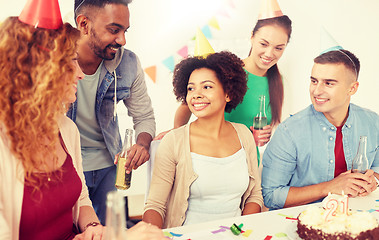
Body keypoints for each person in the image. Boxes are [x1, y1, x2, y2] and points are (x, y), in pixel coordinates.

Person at [143, 51, 263, 228]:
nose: (196, 94)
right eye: (191, 88)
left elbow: (255, 196)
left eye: (206, 87)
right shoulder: (173, 142)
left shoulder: (244, 134)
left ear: (228, 93)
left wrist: (240, 230)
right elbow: (155, 206)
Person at [70, 0, 156, 224]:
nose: (122, 40)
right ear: (84, 24)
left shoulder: (128, 63)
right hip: (66, 168)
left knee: (108, 233)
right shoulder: (51, 60)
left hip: (109, 167)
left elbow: (144, 116)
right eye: (114, 30)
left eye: (125, 31)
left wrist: (143, 144)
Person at [169, 9, 292, 165]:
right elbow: (186, 107)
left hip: (249, 164)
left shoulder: (277, 81)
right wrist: (176, 141)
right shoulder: (227, 72)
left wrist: (262, 136)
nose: (269, 53)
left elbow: (256, 132)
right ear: (252, 37)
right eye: (263, 44)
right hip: (216, 159)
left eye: (279, 48)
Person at [261, 49, 379, 210]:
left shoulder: (373, 122)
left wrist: (374, 180)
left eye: (329, 83)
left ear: (352, 88)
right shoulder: (289, 132)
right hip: (301, 220)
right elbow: (271, 196)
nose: (316, 91)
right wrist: (329, 187)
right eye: (314, 81)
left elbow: (377, 169)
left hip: (356, 216)